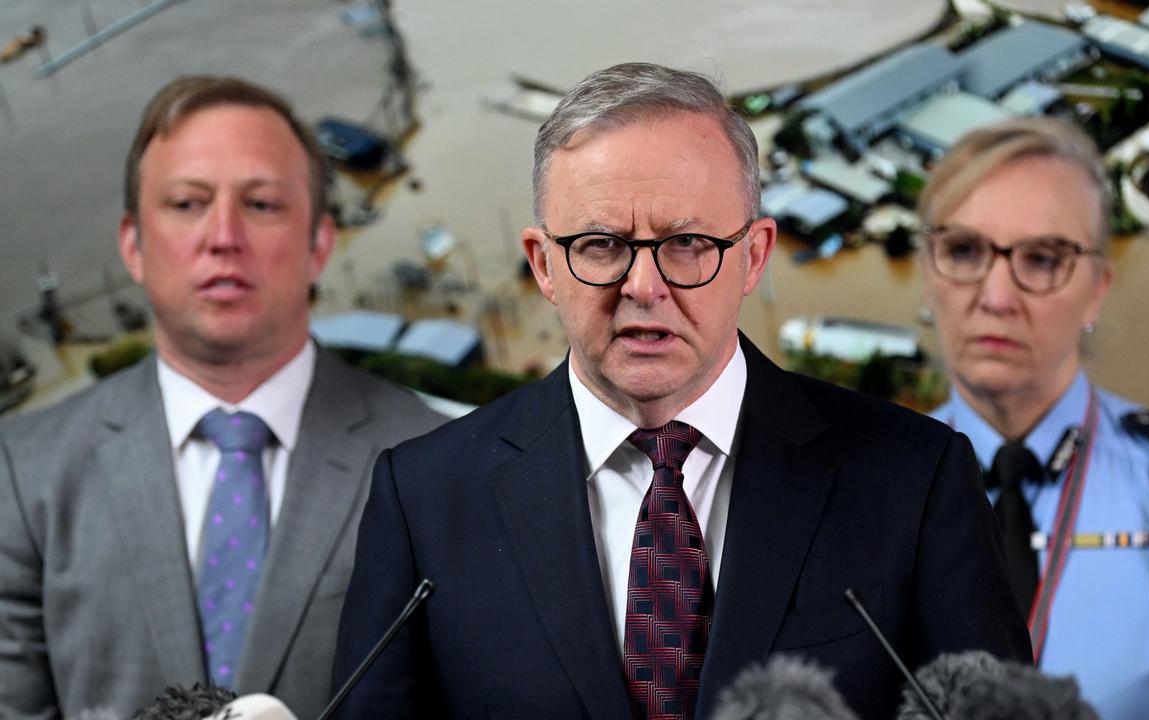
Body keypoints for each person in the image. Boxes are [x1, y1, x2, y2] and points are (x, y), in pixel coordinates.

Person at [332, 62, 1030, 720]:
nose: (644, 286)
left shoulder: (915, 480)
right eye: (602, 244)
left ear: (753, 255)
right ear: (544, 265)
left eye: (689, 243)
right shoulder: (422, 498)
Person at [0, 75, 446, 720]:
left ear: (321, 242)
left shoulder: (441, 462)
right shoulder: (19, 473)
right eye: (186, 203)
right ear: (133, 244)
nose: (224, 235)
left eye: (262, 204)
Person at [920, 116, 1149, 719]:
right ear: (929, 272)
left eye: (1041, 259)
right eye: (964, 250)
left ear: (1098, 289)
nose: (996, 295)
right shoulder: (859, 491)